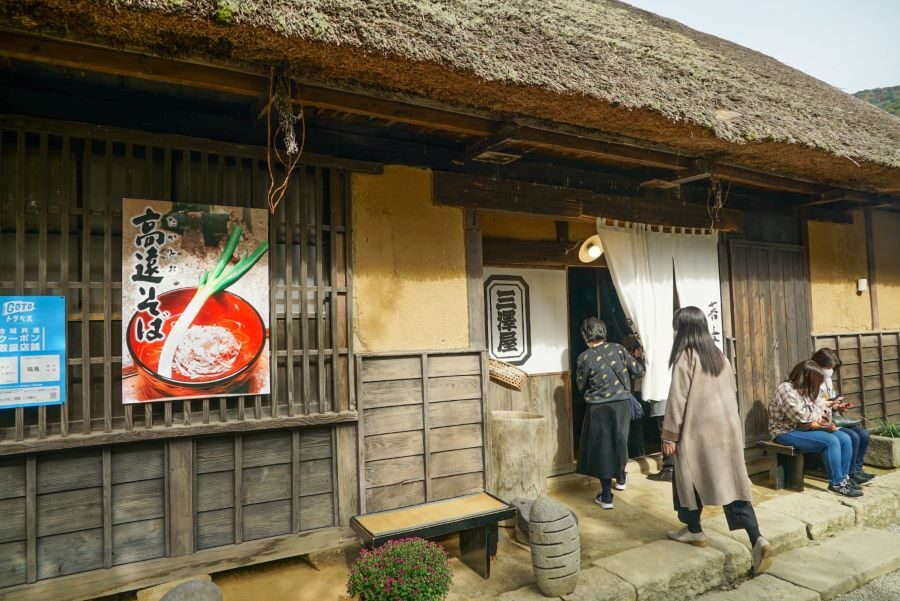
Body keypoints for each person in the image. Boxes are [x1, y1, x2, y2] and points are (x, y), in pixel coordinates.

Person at [661, 307, 772, 575]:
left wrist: (669, 436)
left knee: (688, 481)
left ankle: (695, 530)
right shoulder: (718, 355)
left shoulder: (685, 357)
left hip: (699, 433)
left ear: (682, 328)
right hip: (727, 431)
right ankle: (755, 537)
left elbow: (677, 400)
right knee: (730, 485)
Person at [576, 317, 645, 510]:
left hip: (598, 407)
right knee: (620, 440)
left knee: (603, 448)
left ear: (585, 335)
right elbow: (638, 371)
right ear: (603, 330)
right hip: (621, 404)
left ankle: (606, 496)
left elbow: (580, 385)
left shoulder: (584, 357)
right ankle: (621, 478)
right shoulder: (619, 349)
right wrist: (639, 356)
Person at [768, 360, 862, 498]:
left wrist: (820, 415)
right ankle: (836, 483)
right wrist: (819, 416)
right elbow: (801, 416)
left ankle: (844, 479)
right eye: (816, 380)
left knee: (845, 438)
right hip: (785, 431)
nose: (818, 384)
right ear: (806, 377)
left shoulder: (810, 388)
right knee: (831, 441)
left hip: (804, 429)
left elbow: (823, 410)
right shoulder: (786, 389)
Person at [811, 348, 876, 486]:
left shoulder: (827, 380)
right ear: (818, 364)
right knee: (853, 436)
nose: (830, 371)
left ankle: (857, 470)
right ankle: (849, 474)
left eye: (832, 368)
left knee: (863, 434)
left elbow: (827, 402)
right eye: (828, 367)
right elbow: (813, 406)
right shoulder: (811, 381)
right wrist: (829, 405)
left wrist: (837, 406)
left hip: (829, 416)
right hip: (820, 420)